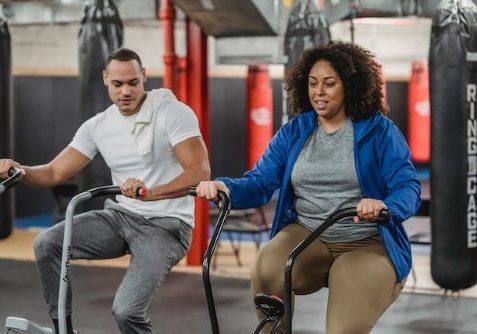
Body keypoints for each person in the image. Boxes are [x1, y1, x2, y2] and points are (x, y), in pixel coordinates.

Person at [195, 41, 421, 334]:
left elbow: (408, 187)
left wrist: (385, 206)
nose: (319, 92)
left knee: (342, 330)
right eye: (313, 83)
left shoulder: (379, 131)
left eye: (329, 83)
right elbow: (260, 183)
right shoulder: (295, 131)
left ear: (349, 86)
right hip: (309, 232)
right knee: (266, 267)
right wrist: (224, 188)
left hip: (368, 242)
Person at [0, 47, 210, 334]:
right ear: (104, 80)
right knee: (47, 243)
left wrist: (149, 192)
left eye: (133, 82)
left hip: (167, 225)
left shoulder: (172, 113)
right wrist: (19, 170)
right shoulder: (98, 126)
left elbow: (199, 172)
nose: (125, 91)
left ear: (144, 77)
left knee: (126, 312)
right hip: (120, 216)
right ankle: (63, 328)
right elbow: (54, 172)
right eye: (117, 83)